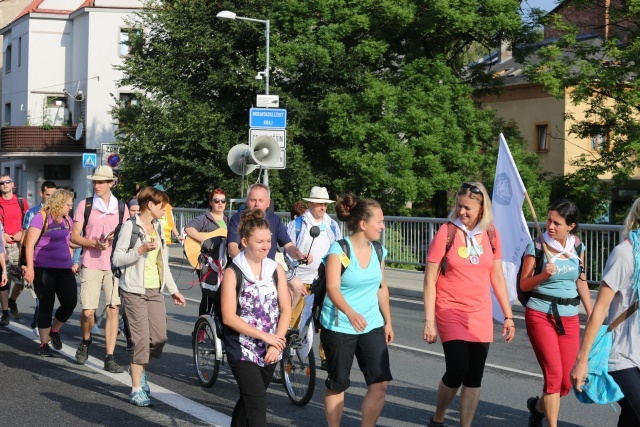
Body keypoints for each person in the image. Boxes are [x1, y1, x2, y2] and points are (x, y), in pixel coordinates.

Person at [423, 182, 515, 427]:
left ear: (482, 208)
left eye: (468, 208)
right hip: (450, 308)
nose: (461, 211)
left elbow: (496, 276)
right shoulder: (447, 232)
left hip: (480, 311)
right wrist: (429, 321)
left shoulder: (492, 234)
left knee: (474, 375)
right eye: (459, 206)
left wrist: (508, 315)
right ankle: (439, 416)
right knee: (457, 369)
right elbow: (430, 279)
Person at [320, 195, 393, 427]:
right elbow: (332, 287)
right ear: (363, 224)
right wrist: (350, 313)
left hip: (371, 324)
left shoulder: (379, 250)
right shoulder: (340, 250)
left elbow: (381, 288)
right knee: (338, 384)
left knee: (380, 383)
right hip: (340, 325)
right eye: (379, 221)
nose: (383, 226)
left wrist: (388, 322)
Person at [112, 186, 186, 407]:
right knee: (142, 341)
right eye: (162, 206)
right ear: (150, 205)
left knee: (160, 339)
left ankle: (139, 368)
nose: (165, 210)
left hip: (155, 291)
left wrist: (173, 290)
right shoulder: (129, 227)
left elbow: (163, 262)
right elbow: (117, 259)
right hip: (134, 291)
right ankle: (136, 389)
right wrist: (140, 250)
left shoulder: (158, 227)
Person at [521, 199, 592, 427]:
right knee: (552, 377)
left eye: (557, 223)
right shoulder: (537, 246)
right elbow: (524, 285)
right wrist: (543, 276)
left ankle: (537, 407)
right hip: (540, 314)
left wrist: (591, 312)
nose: (550, 226)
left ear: (570, 226)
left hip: (569, 317)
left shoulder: (578, 246)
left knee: (565, 383)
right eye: (549, 220)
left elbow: (581, 280)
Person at [571, 197, 640, 426]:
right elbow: (600, 309)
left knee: (631, 417)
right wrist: (582, 360)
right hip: (622, 357)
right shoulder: (625, 254)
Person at [221, 208, 291, 426]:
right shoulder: (233, 272)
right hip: (242, 345)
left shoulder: (275, 268)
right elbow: (228, 318)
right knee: (258, 402)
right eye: (259, 242)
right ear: (244, 241)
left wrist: (276, 342)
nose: (265, 246)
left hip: (271, 346)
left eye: (268, 241)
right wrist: (266, 337)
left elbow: (286, 309)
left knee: (250, 398)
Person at [71, 165, 130, 373]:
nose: (97, 185)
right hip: (91, 263)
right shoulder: (85, 205)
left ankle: (109, 356)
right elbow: (74, 237)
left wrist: (117, 237)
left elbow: (128, 235)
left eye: (101, 182)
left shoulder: (121, 207)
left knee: (114, 309)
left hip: (113, 265)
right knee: (88, 312)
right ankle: (86, 341)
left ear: (111, 183)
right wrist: (94, 243)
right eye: (95, 181)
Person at [286, 188, 342, 370]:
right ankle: (288, 354)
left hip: (325, 280)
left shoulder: (332, 225)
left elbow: (339, 250)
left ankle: (326, 357)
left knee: (327, 319)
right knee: (294, 318)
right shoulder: (298, 224)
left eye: (325, 204)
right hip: (301, 281)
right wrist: (294, 274)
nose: (323, 207)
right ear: (310, 203)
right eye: (319, 204)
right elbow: (286, 250)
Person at [23, 189, 77, 356]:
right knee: (46, 305)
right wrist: (30, 268)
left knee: (70, 302)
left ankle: (55, 330)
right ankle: (44, 344)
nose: (70, 207)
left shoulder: (67, 220)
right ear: (59, 203)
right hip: (43, 268)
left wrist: (91, 244)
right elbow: (29, 244)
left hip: (64, 268)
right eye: (68, 204)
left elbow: (70, 241)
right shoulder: (41, 217)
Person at [227, 183, 310, 265]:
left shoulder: (275, 220)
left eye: (261, 200)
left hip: (268, 271)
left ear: (268, 203)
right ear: (247, 202)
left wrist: (300, 256)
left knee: (295, 279)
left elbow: (288, 245)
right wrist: (245, 265)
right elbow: (232, 247)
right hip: (244, 269)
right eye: (253, 200)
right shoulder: (237, 219)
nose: (257, 204)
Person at [184, 188, 229, 317]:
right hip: (207, 262)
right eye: (216, 200)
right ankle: (202, 328)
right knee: (208, 294)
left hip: (223, 263)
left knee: (223, 294)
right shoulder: (204, 218)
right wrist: (204, 241)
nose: (220, 203)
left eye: (223, 200)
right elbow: (189, 228)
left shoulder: (229, 220)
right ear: (211, 202)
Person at [22, 180, 57, 336]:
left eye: (53, 195)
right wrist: (24, 264)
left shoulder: (59, 214)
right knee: (41, 296)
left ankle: (43, 323)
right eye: (48, 195)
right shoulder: (32, 213)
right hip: (37, 260)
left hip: (55, 261)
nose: (50, 198)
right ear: (41, 194)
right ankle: (39, 324)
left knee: (52, 296)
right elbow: (25, 240)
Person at [0, 174, 29, 325]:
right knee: (3, 281)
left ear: (13, 185)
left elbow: (28, 222)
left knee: (21, 281)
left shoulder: (21, 202)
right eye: (2, 183)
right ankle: (5, 313)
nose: (5, 185)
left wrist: (21, 233)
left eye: (7, 182)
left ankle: (12, 301)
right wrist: (2, 234)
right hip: (3, 246)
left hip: (18, 246)